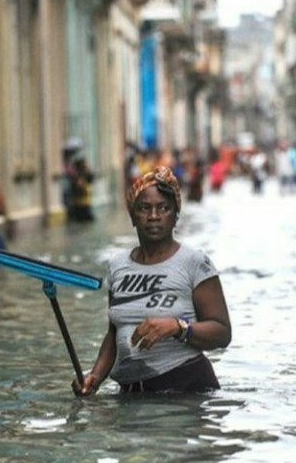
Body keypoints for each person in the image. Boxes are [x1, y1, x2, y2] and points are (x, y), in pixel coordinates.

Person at [72, 166, 232, 395]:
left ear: (175, 215)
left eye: (163, 208)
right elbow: (114, 333)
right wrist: (94, 378)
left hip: (186, 390)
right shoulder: (118, 266)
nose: (154, 216)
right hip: (131, 396)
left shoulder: (194, 262)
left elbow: (222, 333)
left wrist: (178, 328)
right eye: (144, 208)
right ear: (133, 216)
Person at [68, 156, 95, 222]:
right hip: (79, 206)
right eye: (85, 166)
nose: (86, 167)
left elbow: (91, 177)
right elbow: (75, 190)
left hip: (86, 205)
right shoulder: (76, 178)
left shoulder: (87, 176)